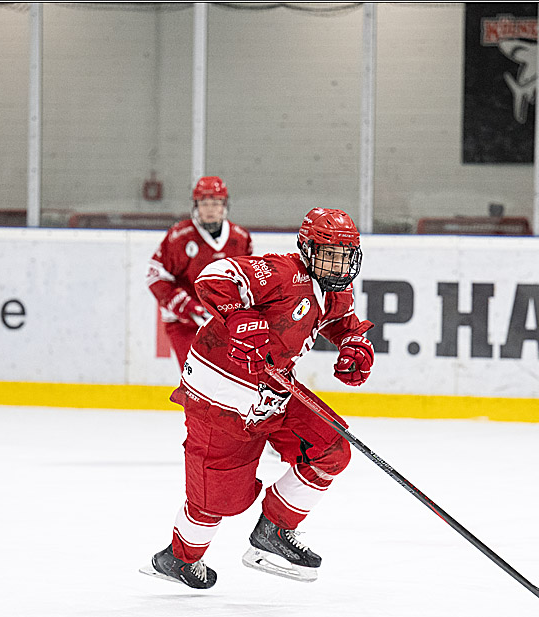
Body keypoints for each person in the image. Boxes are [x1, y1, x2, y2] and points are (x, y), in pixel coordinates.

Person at [143, 207, 375, 588]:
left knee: (331, 449)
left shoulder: (332, 287)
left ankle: (274, 532)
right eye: (330, 254)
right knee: (217, 500)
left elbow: (340, 321)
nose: (338, 265)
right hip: (222, 395)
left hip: (274, 390)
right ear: (307, 248)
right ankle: (179, 559)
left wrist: (354, 344)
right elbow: (214, 277)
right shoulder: (283, 273)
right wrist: (237, 317)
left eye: (345, 254)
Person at [146, 176, 253, 371]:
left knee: (231, 382)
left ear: (225, 205)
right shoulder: (179, 236)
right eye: (204, 203)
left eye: (216, 203)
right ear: (196, 206)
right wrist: (187, 306)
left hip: (226, 323)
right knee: (196, 382)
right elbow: (156, 277)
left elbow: (247, 283)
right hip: (185, 324)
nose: (210, 209)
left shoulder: (240, 238)